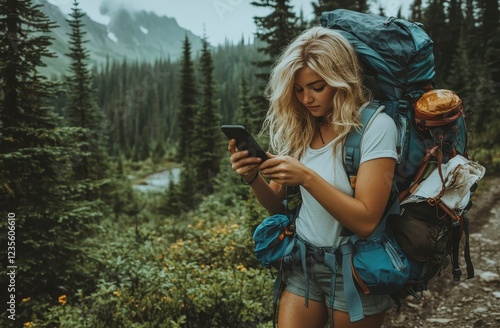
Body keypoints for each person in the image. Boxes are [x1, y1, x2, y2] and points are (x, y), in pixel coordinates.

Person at [228, 26, 397, 328]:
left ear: (340, 80)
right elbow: (277, 206)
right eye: (298, 89)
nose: (306, 98)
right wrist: (253, 177)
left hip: (354, 269)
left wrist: (306, 177)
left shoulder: (377, 127)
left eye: (317, 87)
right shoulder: (302, 128)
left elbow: (366, 221)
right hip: (302, 263)